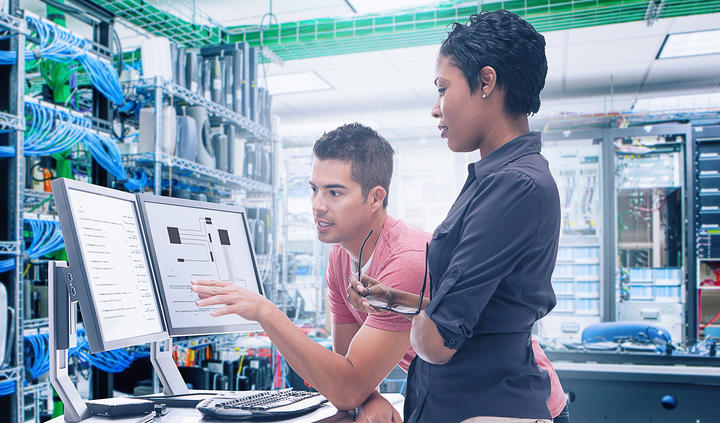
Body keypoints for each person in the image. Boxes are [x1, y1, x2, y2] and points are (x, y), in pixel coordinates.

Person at [192, 123, 567, 422]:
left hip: (511, 406)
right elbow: (345, 365)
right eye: (314, 189)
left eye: (334, 193)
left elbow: (345, 386)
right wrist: (368, 396)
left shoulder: (407, 259)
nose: (317, 206)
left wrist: (265, 313)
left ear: (376, 197)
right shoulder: (341, 257)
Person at [347, 9, 564, 423]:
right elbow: (476, 314)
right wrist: (396, 300)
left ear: (486, 82)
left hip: (483, 407)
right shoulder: (497, 178)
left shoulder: (513, 185)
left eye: (443, 88)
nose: (436, 108)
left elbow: (437, 341)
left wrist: (414, 328)